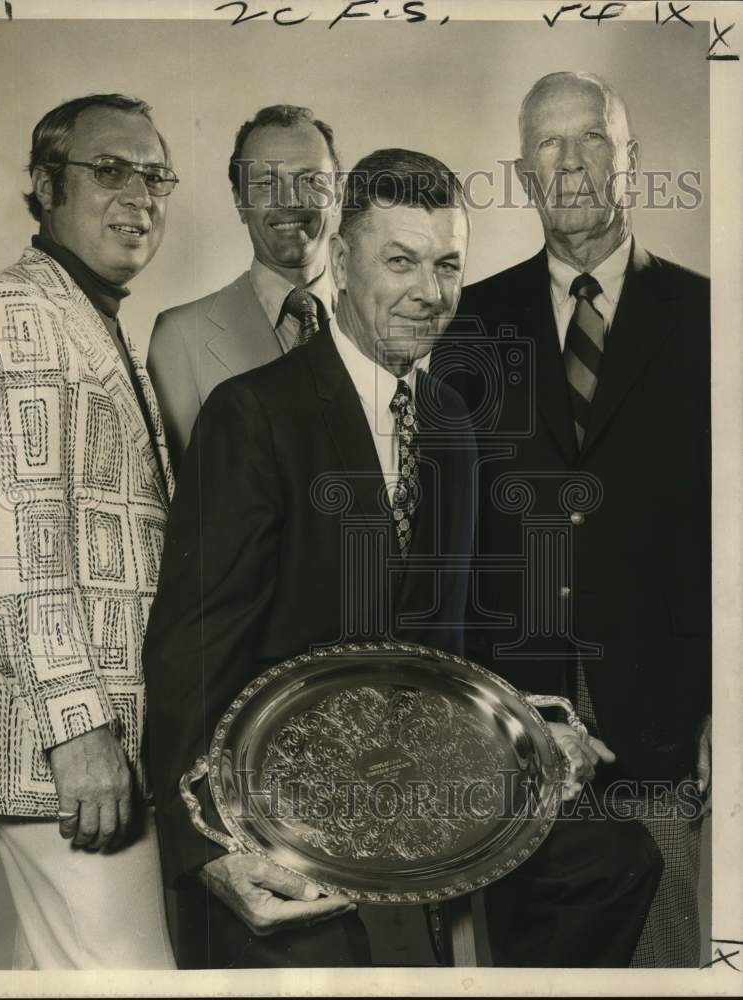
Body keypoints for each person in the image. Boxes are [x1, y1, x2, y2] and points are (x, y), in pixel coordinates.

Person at [143, 148, 661, 969]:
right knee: (326, 954)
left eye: (448, 264)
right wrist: (205, 845)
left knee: (614, 863)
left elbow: (462, 643)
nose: (430, 292)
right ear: (340, 264)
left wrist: (540, 721)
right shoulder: (255, 415)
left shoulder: (451, 423)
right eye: (400, 260)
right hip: (291, 785)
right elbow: (190, 649)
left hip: (428, 767)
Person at [436, 71, 710, 967]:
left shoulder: (712, 314)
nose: (570, 162)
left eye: (591, 136)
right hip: (517, 707)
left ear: (630, 157)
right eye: (547, 144)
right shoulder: (467, 322)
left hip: (664, 704)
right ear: (522, 173)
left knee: (660, 942)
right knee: (535, 957)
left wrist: (722, 706)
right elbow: (449, 530)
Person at [0, 93, 178, 969]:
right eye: (109, 170)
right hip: (65, 742)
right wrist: (78, 729)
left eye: (155, 175)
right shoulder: (6, 308)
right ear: (44, 186)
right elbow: (8, 538)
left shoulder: (92, 315)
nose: (138, 194)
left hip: (105, 737)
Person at [147, 103, 341, 473]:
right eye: (266, 183)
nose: (289, 200)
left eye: (311, 180)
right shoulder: (181, 338)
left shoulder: (384, 324)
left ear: (338, 192)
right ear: (239, 201)